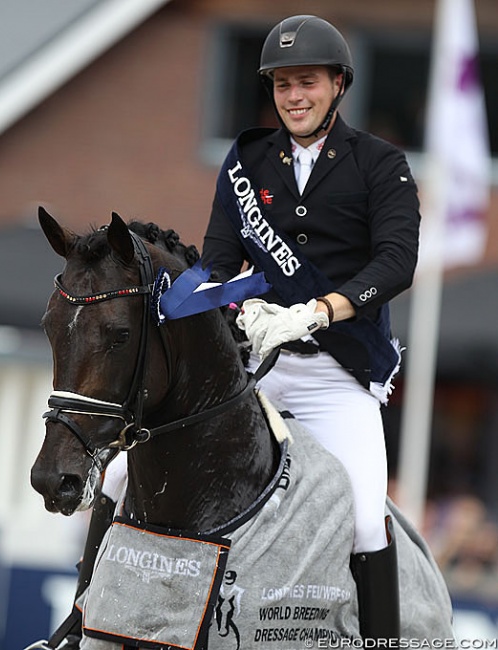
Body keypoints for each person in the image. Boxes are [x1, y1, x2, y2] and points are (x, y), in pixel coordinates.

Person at [201, 14, 421, 640]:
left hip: (336, 375)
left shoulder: (381, 164)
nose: (293, 97)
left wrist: (323, 309)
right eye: (282, 85)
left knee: (362, 521)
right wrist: (216, 304)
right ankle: (80, 624)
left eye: (307, 83)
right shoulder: (246, 163)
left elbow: (396, 261)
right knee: (120, 474)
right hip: (255, 374)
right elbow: (218, 262)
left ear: (338, 85)